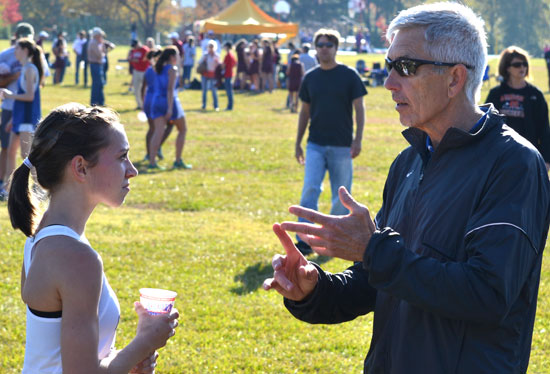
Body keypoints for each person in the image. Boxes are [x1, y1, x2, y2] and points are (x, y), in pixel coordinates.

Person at [263, 3, 550, 373]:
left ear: (454, 78)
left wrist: (374, 250)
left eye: (406, 67)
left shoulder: (513, 164)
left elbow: (488, 294)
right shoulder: (409, 161)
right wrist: (315, 288)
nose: (389, 82)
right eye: (389, 65)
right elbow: (377, 280)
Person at [7, 102, 179, 373]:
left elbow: (61, 360)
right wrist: (145, 342)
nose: (132, 170)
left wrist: (126, 361)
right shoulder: (76, 258)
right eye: (122, 156)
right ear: (81, 168)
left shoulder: (40, 239)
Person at [292, 28, 366, 255]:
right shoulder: (310, 78)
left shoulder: (349, 75)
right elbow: (304, 112)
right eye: (320, 45)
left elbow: (359, 109)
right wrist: (298, 142)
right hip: (315, 144)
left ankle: (335, 239)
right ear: (315, 48)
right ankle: (304, 241)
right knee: (310, 190)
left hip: (342, 145)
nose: (324, 49)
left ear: (336, 47)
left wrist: (358, 139)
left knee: (341, 196)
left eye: (328, 45)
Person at [485, 46, 550, 169]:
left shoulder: (535, 95)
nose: (522, 67)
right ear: (507, 68)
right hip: (500, 157)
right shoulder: (496, 94)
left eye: (525, 64)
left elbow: (544, 129)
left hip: (528, 157)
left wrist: (546, 160)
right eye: (517, 64)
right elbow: (486, 126)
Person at [0, 38, 43, 195]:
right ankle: (8, 188)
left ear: (25, 50)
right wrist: (12, 119)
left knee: (27, 155)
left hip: (27, 118)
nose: (14, 51)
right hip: (18, 118)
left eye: (17, 48)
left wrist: (10, 96)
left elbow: (30, 96)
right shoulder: (24, 68)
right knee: (11, 151)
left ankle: (40, 187)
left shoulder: (31, 69)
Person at [148, 46, 191, 170]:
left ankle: (152, 162)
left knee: (157, 132)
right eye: (177, 55)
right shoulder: (172, 69)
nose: (179, 57)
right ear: (172, 57)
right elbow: (170, 89)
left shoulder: (157, 68)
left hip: (156, 101)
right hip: (169, 101)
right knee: (182, 129)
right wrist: (170, 109)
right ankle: (178, 160)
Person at [141, 49, 172, 161]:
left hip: (148, 100)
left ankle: (150, 153)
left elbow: (142, 88)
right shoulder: (161, 70)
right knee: (167, 125)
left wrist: (142, 103)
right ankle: (155, 149)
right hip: (158, 100)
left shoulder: (149, 70)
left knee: (152, 129)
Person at [128, 39, 150, 110]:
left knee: (144, 89)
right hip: (136, 71)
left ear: (138, 44)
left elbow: (144, 60)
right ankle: (139, 105)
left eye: (135, 46)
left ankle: (146, 104)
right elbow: (131, 59)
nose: (134, 47)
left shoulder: (145, 49)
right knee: (136, 89)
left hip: (144, 71)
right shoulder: (134, 50)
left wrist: (134, 60)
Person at [199, 40, 220, 111]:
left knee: (214, 91)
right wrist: (203, 60)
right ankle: (204, 105)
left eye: (212, 47)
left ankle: (216, 105)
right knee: (204, 90)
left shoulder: (216, 55)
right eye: (209, 47)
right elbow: (199, 62)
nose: (211, 48)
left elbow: (218, 66)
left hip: (213, 75)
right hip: (205, 74)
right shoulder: (205, 55)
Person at [88, 27, 106, 106]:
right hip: (95, 64)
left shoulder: (95, 42)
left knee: (99, 84)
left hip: (96, 65)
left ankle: (99, 101)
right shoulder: (94, 43)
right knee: (97, 84)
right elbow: (100, 54)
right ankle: (96, 102)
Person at [222, 42, 236, 111]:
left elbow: (223, 65)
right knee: (229, 90)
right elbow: (235, 63)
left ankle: (230, 106)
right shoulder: (231, 55)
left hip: (227, 74)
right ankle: (230, 106)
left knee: (229, 91)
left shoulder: (228, 55)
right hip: (230, 73)